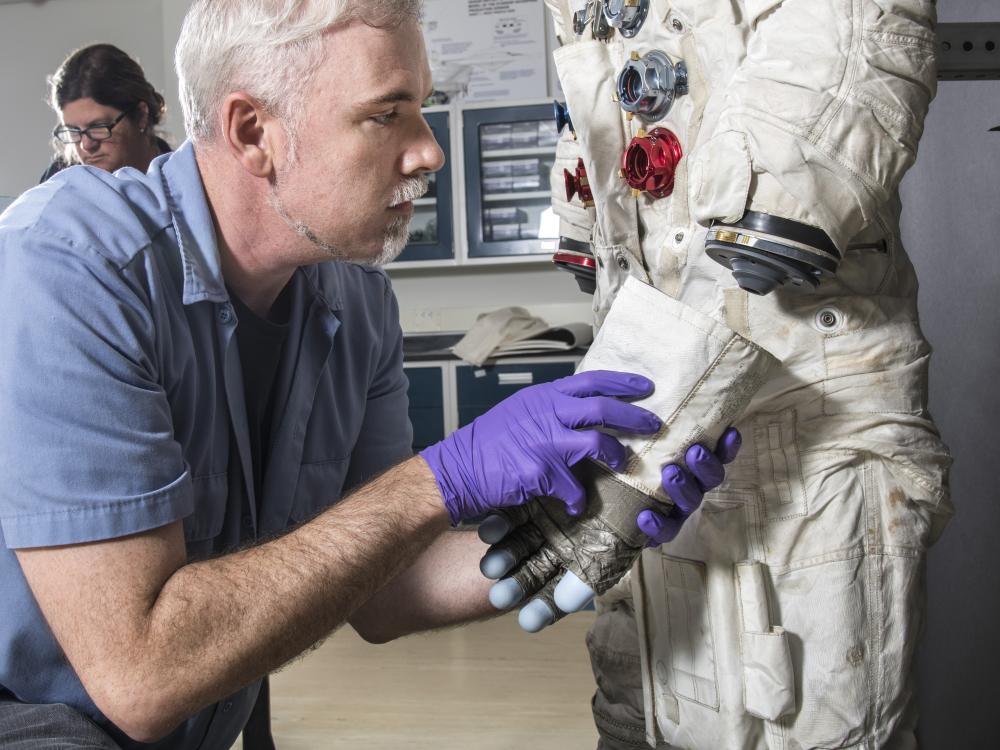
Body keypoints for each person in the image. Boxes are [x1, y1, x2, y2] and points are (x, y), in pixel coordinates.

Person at [0, 2, 735, 749]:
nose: (429, 153)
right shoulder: (68, 268)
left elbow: (385, 587)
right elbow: (142, 674)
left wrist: (581, 527)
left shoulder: (356, 301)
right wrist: (442, 477)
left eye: (421, 109)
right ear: (253, 132)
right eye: (388, 116)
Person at [511, 1, 953, 748]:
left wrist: (777, 198)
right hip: (651, 361)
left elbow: (760, 247)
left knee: (807, 709)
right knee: (645, 698)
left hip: (804, 415)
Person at [41, 43, 171, 182]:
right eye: (73, 130)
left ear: (141, 116)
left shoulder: (183, 181)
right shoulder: (58, 181)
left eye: (98, 126)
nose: (86, 145)